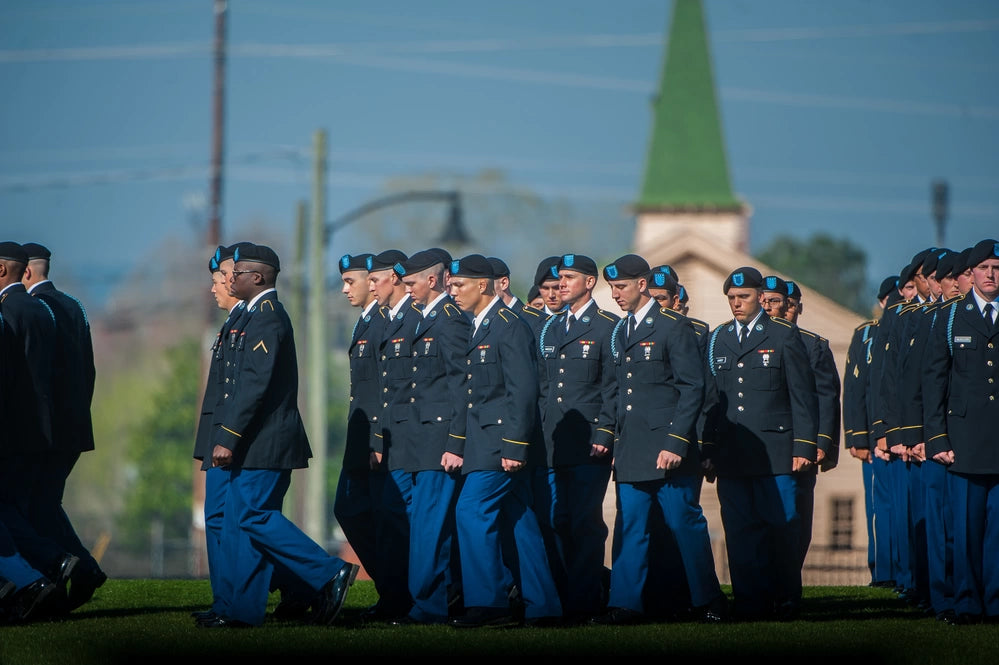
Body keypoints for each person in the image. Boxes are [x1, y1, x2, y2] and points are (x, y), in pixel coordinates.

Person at [206, 243, 360, 628]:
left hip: (267, 441)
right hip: (254, 442)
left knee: (255, 516)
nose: (230, 279)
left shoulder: (269, 318)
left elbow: (255, 384)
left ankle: (327, 572)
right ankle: (240, 611)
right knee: (245, 521)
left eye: (236, 273)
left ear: (256, 277)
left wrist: (227, 435)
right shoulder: (252, 317)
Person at [591, 254, 726, 625]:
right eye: (612, 288)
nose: (615, 294)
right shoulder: (621, 331)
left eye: (620, 287)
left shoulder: (672, 326)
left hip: (668, 447)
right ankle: (626, 604)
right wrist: (611, 438)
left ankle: (707, 599)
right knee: (631, 526)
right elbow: (616, 390)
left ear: (641, 285)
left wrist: (677, 441)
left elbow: (692, 387)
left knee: (684, 523)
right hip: (633, 447)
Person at [447, 254, 562, 627]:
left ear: (484, 285)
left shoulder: (508, 325)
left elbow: (523, 390)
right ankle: (543, 606)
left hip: (499, 444)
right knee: (519, 519)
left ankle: (490, 604)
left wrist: (514, 446)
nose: (453, 291)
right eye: (450, 284)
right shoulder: (480, 324)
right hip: (484, 440)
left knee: (471, 511)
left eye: (459, 284)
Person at [703, 266, 818, 621]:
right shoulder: (718, 338)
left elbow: (803, 396)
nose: (737, 304)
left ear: (759, 297)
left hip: (776, 451)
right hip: (733, 453)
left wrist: (803, 447)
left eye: (745, 297)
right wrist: (708, 450)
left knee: (782, 525)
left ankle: (784, 598)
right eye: (732, 298)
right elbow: (711, 400)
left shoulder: (782, 335)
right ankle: (749, 599)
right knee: (739, 529)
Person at [19, 242, 107, 612]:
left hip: (45, 428)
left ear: (25, 272)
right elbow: (88, 369)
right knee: (44, 502)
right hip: (73, 425)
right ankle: (73, 570)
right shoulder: (76, 307)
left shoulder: (35, 309)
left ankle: (65, 570)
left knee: (31, 505)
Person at [533, 253, 618, 622]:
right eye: (558, 278)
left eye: (569, 277)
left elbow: (614, 387)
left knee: (583, 522)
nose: (561, 283)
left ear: (589, 282)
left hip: (589, 443)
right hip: (553, 441)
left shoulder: (608, 327)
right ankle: (561, 596)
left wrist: (605, 430)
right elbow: (543, 388)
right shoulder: (551, 329)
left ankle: (585, 601)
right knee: (554, 519)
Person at [923, 238, 999, 625]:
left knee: (997, 533)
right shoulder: (952, 317)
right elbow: (934, 379)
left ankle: (996, 602)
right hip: (964, 441)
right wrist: (937, 437)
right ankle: (967, 602)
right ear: (971, 274)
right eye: (984, 268)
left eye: (997, 269)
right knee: (966, 531)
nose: (991, 275)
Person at [393, 250, 471, 624]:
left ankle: (428, 605)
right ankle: (432, 600)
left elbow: (461, 385)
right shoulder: (425, 318)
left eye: (410, 284)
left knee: (431, 525)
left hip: (439, 441)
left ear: (432, 280)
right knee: (425, 524)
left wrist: (455, 441)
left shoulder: (450, 320)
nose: (407, 292)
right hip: (418, 439)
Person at [0, 241, 79, 606]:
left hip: (17, 430)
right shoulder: (47, 310)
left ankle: (41, 571)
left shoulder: (9, 311)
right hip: (48, 426)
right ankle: (56, 569)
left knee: (13, 509)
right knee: (33, 506)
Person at [331, 252, 397, 622]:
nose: (345, 289)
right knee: (350, 509)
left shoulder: (385, 323)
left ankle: (395, 592)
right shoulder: (367, 321)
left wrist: (377, 440)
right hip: (361, 438)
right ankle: (390, 589)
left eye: (350, 281)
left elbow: (386, 389)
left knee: (379, 517)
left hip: (376, 437)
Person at [770, 277, 841, 579]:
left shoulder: (812, 346)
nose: (783, 311)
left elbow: (826, 398)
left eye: (788, 306)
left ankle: (787, 579)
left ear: (798, 308)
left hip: (801, 445)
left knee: (796, 516)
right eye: (776, 304)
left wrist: (822, 443)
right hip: (769, 440)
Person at [367, 248, 419, 620]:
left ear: (395, 279)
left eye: (375, 279)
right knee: (390, 519)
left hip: (415, 440)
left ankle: (419, 597)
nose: (371, 287)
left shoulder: (416, 319)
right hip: (391, 436)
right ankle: (398, 597)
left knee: (413, 523)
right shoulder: (388, 319)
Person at [842, 275, 898, 588]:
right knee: (878, 507)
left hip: (902, 435)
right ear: (881, 303)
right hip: (875, 440)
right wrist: (857, 437)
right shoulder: (866, 335)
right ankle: (882, 570)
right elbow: (855, 388)